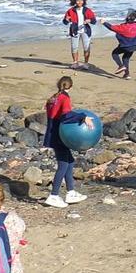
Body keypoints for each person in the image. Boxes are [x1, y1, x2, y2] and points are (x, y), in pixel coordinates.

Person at [42, 76, 84, 208]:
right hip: (59, 136)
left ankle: (71, 192)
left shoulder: (53, 98)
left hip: (53, 134)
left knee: (70, 161)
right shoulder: (64, 98)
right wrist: (83, 117)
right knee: (63, 165)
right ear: (70, 87)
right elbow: (66, 116)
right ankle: (53, 195)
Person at [105, 10, 136, 79]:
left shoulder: (123, 27)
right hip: (134, 46)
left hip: (125, 45)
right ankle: (127, 74)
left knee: (114, 53)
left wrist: (104, 22)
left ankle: (121, 66)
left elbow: (111, 27)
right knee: (125, 58)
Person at [64, 0, 98, 69]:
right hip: (74, 31)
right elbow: (64, 22)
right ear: (75, 1)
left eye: (81, 0)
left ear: (84, 1)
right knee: (74, 47)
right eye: (78, 0)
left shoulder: (87, 10)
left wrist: (89, 20)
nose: (79, 2)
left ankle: (86, 63)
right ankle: (75, 63)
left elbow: (94, 21)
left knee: (86, 48)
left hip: (85, 31)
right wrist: (66, 20)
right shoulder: (70, 10)